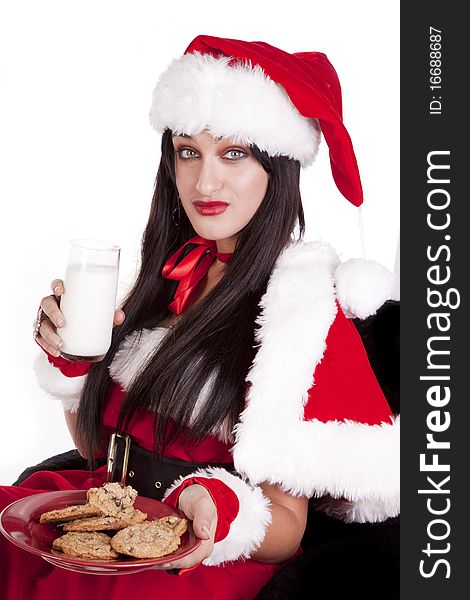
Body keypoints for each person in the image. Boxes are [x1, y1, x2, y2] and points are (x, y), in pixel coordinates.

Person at [0, 35, 399, 599]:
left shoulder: (297, 312)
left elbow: (288, 526)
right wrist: (74, 367)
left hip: (202, 559)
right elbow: (99, 450)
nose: (204, 182)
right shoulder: (171, 275)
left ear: (276, 166)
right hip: (108, 516)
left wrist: (214, 505)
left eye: (233, 153)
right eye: (189, 151)